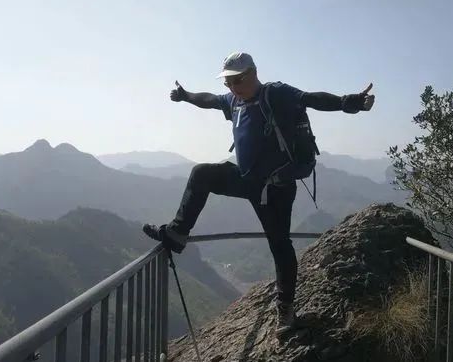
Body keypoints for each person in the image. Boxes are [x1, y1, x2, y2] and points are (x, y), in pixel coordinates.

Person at [143, 52, 375, 336]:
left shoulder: (275, 93)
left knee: (280, 246)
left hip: (276, 188)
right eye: (227, 81)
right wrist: (185, 95)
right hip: (247, 180)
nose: (231, 87)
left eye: (237, 80)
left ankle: (286, 310)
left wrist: (348, 103)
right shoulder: (234, 100)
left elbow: (310, 98)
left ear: (253, 72)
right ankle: (177, 233)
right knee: (201, 173)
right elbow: (210, 100)